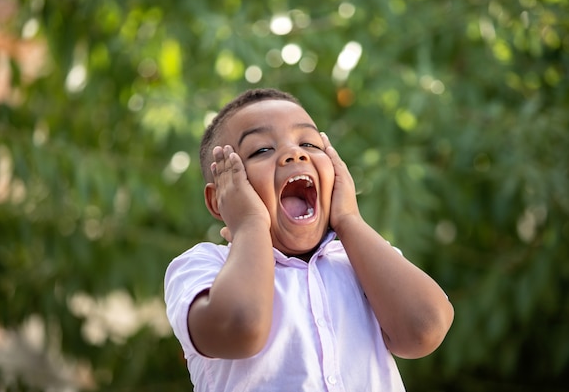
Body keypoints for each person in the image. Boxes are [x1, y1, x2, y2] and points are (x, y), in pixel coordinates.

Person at [164, 88, 454, 391]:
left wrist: (349, 220)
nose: (295, 153)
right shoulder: (202, 267)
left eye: (309, 143)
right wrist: (250, 224)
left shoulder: (361, 259)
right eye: (261, 150)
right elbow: (241, 326)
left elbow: (426, 329)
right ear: (219, 199)